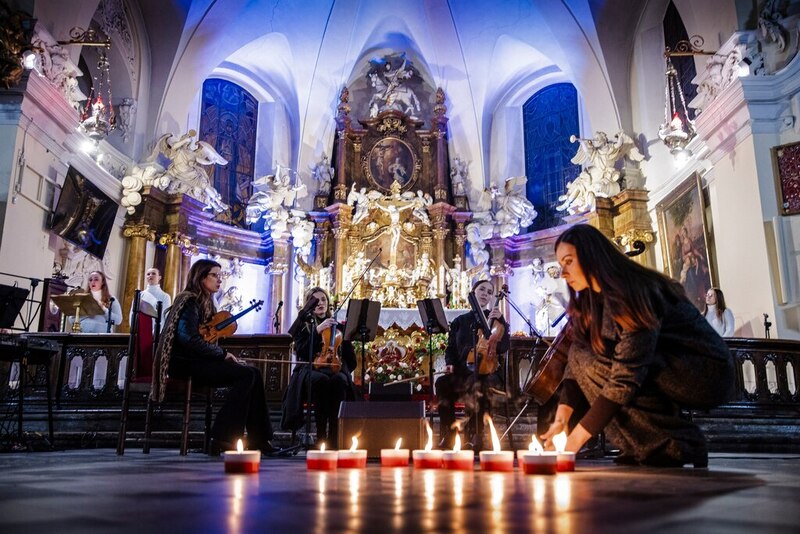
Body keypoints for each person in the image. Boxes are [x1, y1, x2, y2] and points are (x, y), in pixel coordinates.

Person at [540, 224, 734, 468]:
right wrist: (562, 418)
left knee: (610, 367)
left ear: (592, 256)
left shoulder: (633, 292)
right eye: (561, 264)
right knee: (582, 354)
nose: (563, 273)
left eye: (568, 261)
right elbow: (576, 358)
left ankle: (675, 441)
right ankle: (643, 445)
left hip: (704, 371)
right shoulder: (594, 301)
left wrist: (575, 440)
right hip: (664, 365)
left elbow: (626, 374)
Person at [151, 259, 274, 455]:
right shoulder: (189, 301)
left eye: (220, 276)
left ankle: (260, 439)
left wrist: (220, 354)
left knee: (253, 373)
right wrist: (222, 354)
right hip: (184, 363)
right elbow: (189, 340)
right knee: (246, 375)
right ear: (201, 277)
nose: (219, 280)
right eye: (214, 275)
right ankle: (223, 437)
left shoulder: (206, 302)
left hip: (198, 361)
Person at [435, 279, 510, 450]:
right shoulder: (460, 321)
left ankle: (475, 434)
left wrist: (502, 323)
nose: (485, 294)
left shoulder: (497, 321)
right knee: (442, 383)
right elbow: (451, 349)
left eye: (489, 292)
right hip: (462, 372)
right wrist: (449, 364)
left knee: (479, 383)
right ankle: (449, 433)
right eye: (482, 289)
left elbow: (504, 347)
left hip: (488, 373)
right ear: (473, 292)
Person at [282, 287, 357, 448]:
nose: (320, 303)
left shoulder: (339, 328)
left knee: (339, 380)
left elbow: (351, 360)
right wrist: (317, 330)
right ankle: (321, 434)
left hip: (334, 369)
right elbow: (301, 352)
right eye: (316, 301)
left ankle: (335, 435)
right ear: (309, 304)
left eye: (323, 299)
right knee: (321, 380)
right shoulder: (303, 325)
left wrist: (340, 364)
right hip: (310, 370)